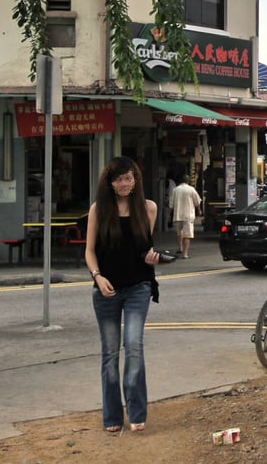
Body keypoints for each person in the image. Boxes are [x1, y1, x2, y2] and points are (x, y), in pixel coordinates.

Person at [84, 156, 162, 434]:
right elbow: (90, 251)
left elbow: (142, 251)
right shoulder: (98, 210)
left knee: (134, 346)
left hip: (138, 287)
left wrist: (152, 258)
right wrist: (98, 276)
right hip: (106, 289)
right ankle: (112, 416)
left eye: (128, 178)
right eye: (118, 179)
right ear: (109, 182)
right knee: (109, 354)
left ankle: (137, 411)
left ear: (136, 179)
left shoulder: (148, 208)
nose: (124, 184)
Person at [170, 174, 201, 259]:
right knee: (187, 234)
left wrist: (170, 214)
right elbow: (197, 202)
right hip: (188, 215)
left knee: (179, 232)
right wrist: (199, 210)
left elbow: (171, 204)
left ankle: (180, 248)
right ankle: (185, 254)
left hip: (178, 214)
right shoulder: (191, 189)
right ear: (188, 181)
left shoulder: (175, 190)